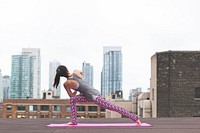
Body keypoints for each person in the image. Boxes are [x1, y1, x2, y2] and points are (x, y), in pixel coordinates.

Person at [53, 65, 141, 125]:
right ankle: (74, 121)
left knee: (113, 107)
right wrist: (80, 89)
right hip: (90, 94)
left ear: (61, 76)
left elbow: (71, 96)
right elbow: (81, 75)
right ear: (66, 69)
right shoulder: (75, 72)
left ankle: (135, 118)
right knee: (114, 108)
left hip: (94, 96)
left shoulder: (67, 84)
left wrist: (76, 90)